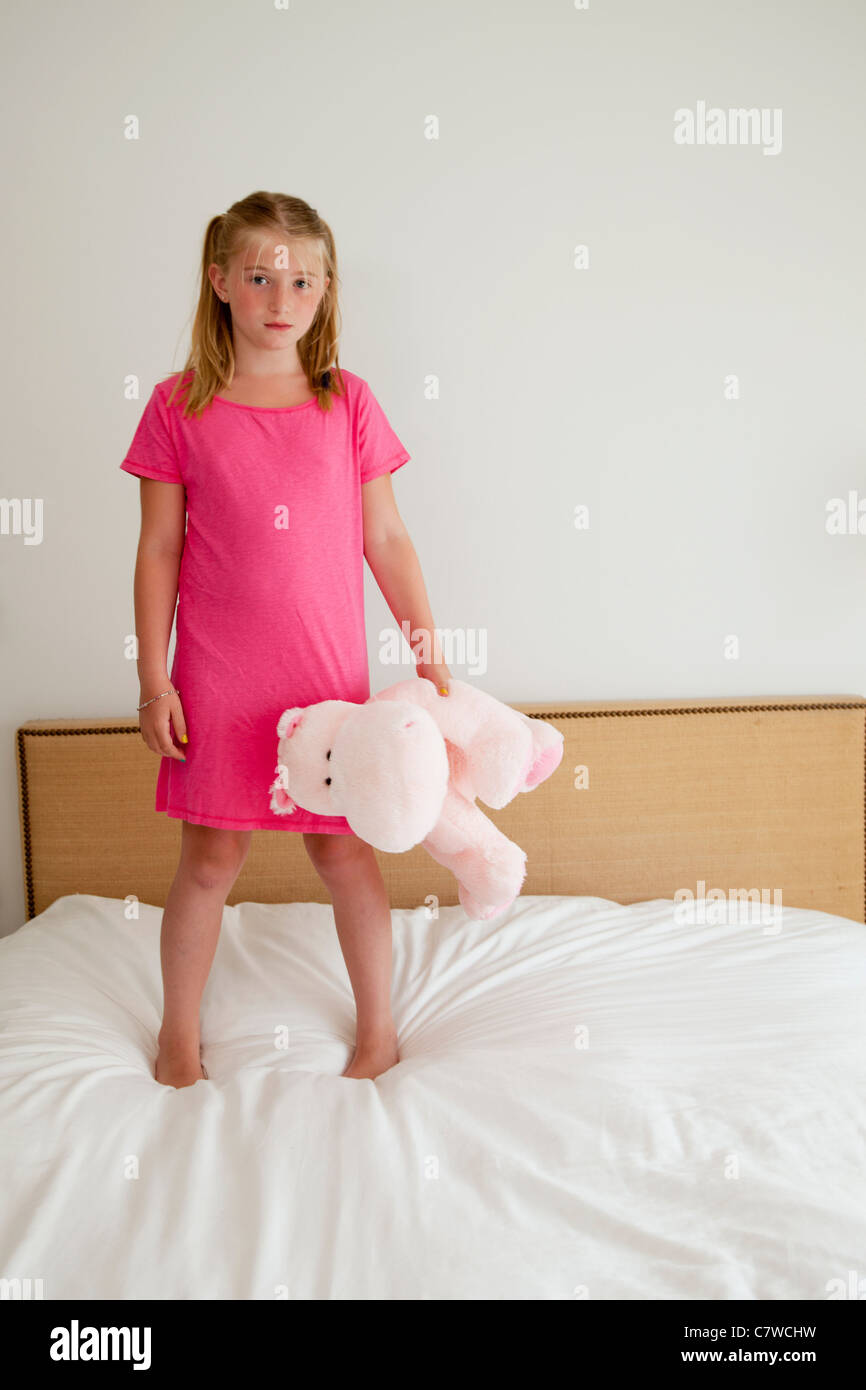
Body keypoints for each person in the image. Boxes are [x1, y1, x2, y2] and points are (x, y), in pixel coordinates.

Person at [120, 191, 451, 1090]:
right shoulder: (177, 406)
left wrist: (428, 649)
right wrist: (156, 679)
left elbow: (385, 538)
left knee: (343, 850)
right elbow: (158, 550)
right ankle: (176, 1037)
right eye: (261, 277)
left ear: (325, 288)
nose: (280, 298)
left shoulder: (347, 403)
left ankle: (378, 1030)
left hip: (325, 682)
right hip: (219, 678)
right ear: (220, 279)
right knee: (210, 857)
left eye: (301, 280)